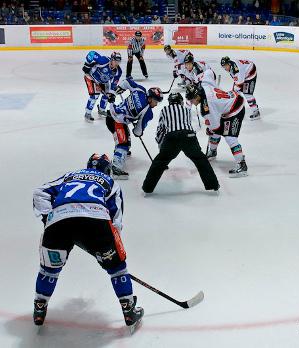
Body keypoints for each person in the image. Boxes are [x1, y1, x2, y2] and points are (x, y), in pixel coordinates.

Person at [32, 154, 143, 333]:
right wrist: (109, 253)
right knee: (118, 268)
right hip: (96, 223)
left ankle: (39, 308)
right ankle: (129, 309)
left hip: (58, 224)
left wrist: (49, 218)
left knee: (49, 270)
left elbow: (40, 192)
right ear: (107, 169)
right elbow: (116, 222)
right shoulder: (110, 182)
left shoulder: (70, 176)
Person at [142, 93, 219, 193]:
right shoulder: (186, 110)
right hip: (189, 136)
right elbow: (190, 127)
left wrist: (161, 146)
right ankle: (213, 185)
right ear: (181, 101)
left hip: (172, 137)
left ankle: (147, 188)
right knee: (201, 159)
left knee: (159, 161)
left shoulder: (164, 110)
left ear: (170, 102)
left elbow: (161, 130)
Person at [185, 75, 248, 178]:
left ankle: (242, 165)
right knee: (216, 132)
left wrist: (210, 130)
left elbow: (216, 126)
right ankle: (213, 151)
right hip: (230, 102)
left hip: (236, 108)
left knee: (229, 137)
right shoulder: (203, 86)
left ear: (197, 96)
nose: (192, 103)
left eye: (192, 100)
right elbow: (208, 75)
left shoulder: (206, 107)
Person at [107, 78, 163, 178]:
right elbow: (138, 131)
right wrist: (137, 128)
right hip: (117, 121)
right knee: (123, 144)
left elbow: (126, 81)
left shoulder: (140, 90)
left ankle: (121, 153)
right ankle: (116, 168)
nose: (156, 104)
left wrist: (119, 89)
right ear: (150, 98)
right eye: (156, 101)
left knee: (126, 141)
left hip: (112, 115)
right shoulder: (148, 112)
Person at [82, 51, 122, 121]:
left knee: (107, 95)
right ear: (112, 59)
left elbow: (114, 84)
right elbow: (91, 53)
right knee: (95, 95)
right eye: (115, 61)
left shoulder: (118, 71)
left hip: (103, 82)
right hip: (91, 77)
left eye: (119, 62)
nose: (117, 63)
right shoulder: (104, 60)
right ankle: (87, 113)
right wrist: (87, 65)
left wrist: (112, 94)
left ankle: (101, 110)